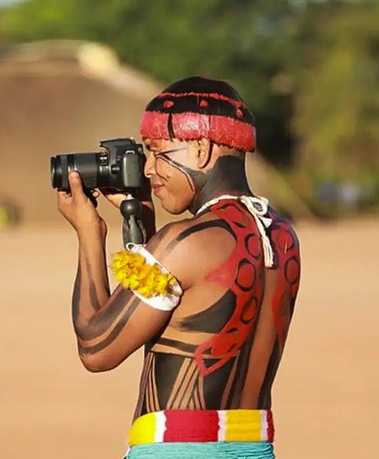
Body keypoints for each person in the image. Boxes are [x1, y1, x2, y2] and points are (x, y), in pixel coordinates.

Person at [56, 76, 301, 459]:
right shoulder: (282, 235)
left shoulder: (186, 241)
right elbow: (182, 309)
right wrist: (147, 229)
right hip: (254, 448)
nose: (149, 169)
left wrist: (90, 232)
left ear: (201, 149)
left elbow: (96, 348)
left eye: (157, 152)